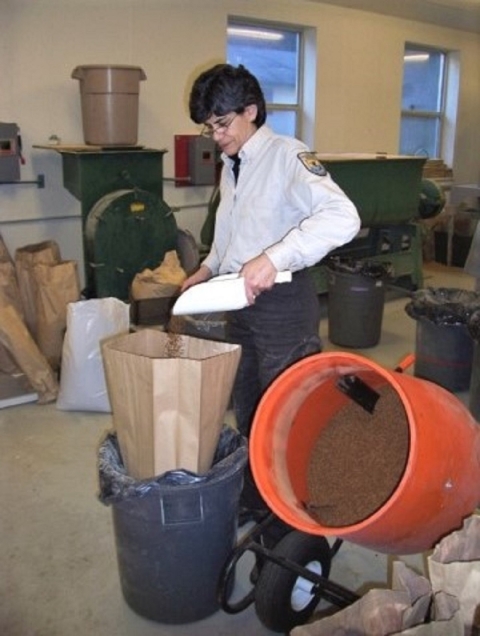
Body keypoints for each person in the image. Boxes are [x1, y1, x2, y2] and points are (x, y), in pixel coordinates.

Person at [182, 63, 361, 521]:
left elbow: (343, 217)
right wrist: (206, 268)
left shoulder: (287, 156)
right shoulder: (232, 166)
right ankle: (261, 496)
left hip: (283, 305)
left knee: (291, 414)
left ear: (251, 111)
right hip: (239, 302)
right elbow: (230, 230)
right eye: (209, 127)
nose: (215, 136)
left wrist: (276, 257)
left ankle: (298, 506)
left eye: (222, 123)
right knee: (250, 406)